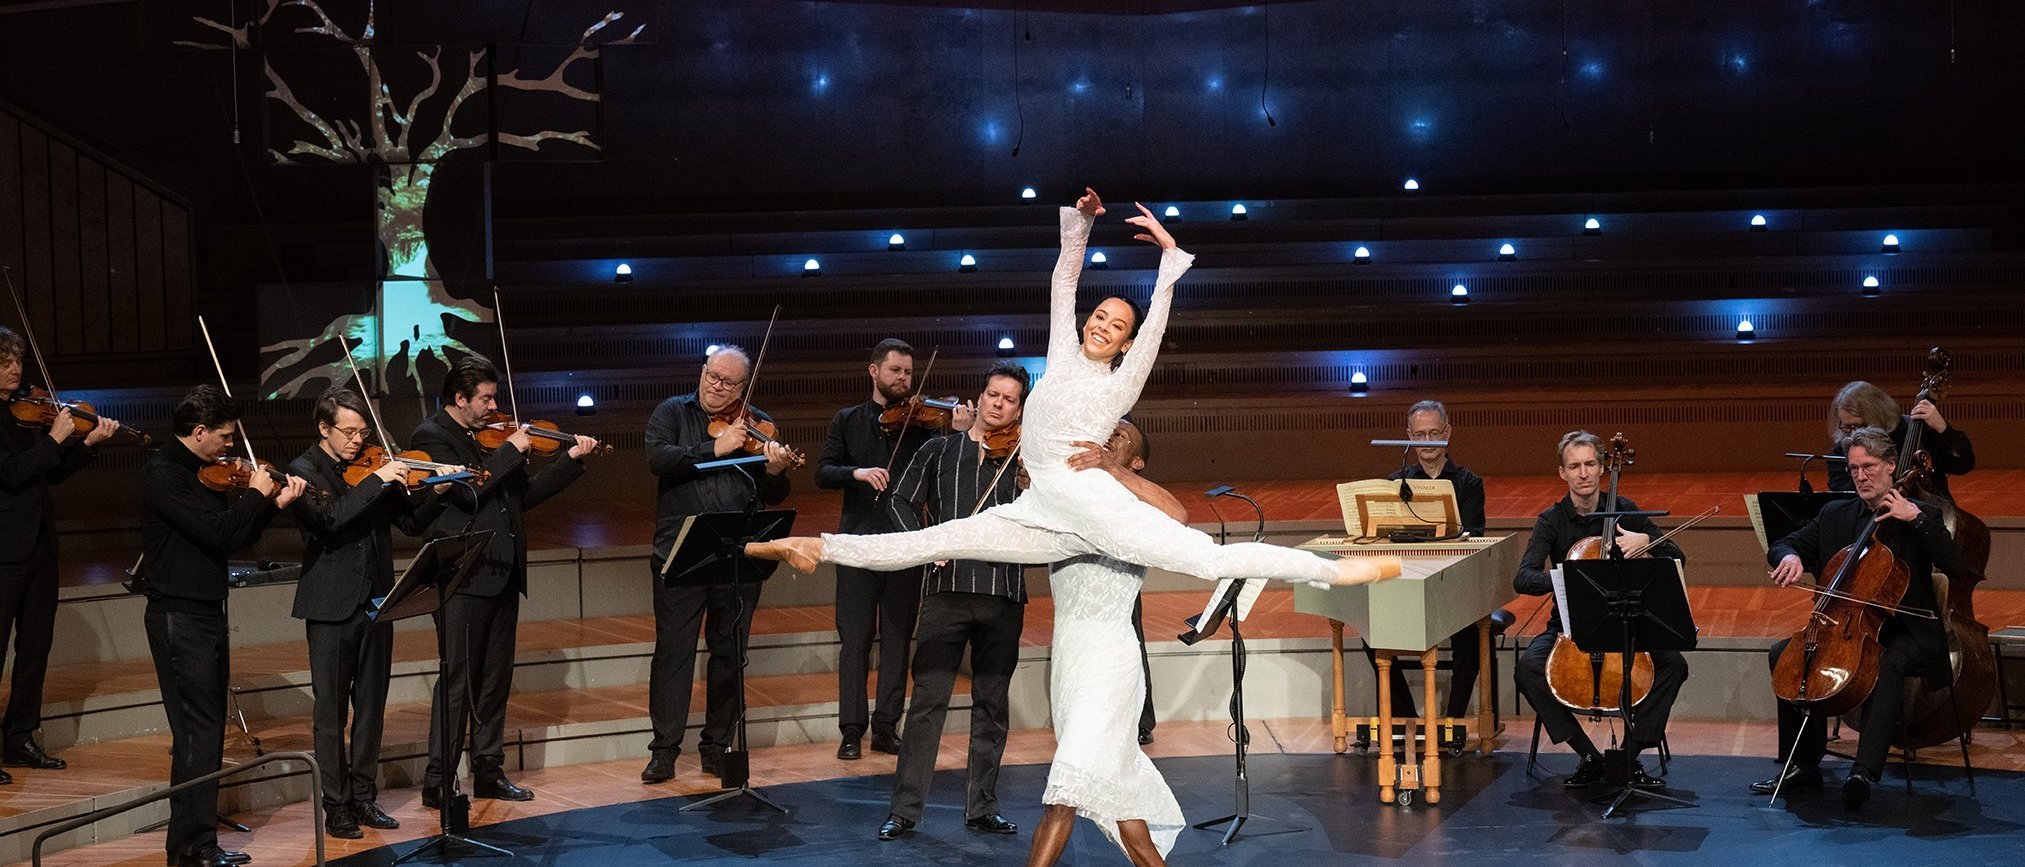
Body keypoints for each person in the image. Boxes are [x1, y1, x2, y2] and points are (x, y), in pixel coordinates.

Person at [746, 189, 1396, 594]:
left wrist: (1168, 262)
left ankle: (1335, 571)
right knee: (937, 539)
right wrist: (1080, 226)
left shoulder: (1120, 381)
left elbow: (1155, 323)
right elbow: (1063, 282)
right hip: (1044, 510)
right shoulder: (1060, 351)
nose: (1100, 323)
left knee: (1203, 558)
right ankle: (817, 546)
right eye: (1099, 315)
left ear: (1121, 342)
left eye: (1115, 323)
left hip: (1088, 503)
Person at [411, 357, 600, 806]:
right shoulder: (432, 437)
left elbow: (522, 497)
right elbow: (469, 491)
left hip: (502, 572)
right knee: (458, 680)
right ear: (460, 399)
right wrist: (511, 452)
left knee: (495, 680)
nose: (495, 407)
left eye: (495, 396)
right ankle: (439, 780)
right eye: (486, 398)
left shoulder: (491, 436)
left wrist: (570, 460)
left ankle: (488, 771)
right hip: (461, 576)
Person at [1754, 426, 1965, 809]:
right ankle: (1802, 765)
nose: (1861, 476)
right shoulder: (1835, 514)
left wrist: (1915, 518)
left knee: (1886, 662)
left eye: (1869, 466)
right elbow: (1784, 543)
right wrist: (1788, 556)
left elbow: (1957, 565)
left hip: (1908, 631)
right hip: (1846, 628)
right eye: (1853, 469)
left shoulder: (1921, 514)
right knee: (1783, 654)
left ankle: (1863, 772)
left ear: (1890, 466)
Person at [142, 385, 308, 867]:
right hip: (178, 616)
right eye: (224, 436)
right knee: (197, 732)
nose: (231, 446)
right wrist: (257, 494)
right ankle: (190, 848)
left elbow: (229, 539)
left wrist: (269, 506)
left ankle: (198, 843)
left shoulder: (201, 472)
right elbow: (217, 531)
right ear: (198, 433)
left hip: (205, 611)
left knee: (207, 731)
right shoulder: (164, 474)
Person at [877, 362, 1029, 842]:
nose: (997, 403)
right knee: (927, 703)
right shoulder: (939, 449)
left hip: (1003, 592)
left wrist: (1035, 484)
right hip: (946, 592)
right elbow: (899, 500)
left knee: (992, 705)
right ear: (980, 397)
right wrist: (926, 545)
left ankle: (982, 806)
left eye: (1008, 399)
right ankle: (904, 811)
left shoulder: (1026, 461)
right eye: (992, 394)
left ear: (1020, 409)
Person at [285, 387, 445, 839]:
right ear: (324, 428)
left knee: (372, 708)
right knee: (331, 712)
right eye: (349, 432)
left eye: (363, 431)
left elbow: (411, 524)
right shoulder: (301, 471)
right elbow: (331, 519)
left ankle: (364, 796)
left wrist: (438, 489)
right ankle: (336, 805)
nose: (358, 441)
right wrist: (380, 479)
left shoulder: (375, 465)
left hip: (378, 600)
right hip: (331, 605)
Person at [1028, 417, 1187, 866]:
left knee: (1064, 791)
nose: (1112, 435)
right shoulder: (1071, 501)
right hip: (1069, 664)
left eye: (1124, 437)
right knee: (1119, 802)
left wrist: (1114, 472)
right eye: (1109, 430)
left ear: (1136, 462)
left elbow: (1179, 516)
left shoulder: (1137, 512)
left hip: (1112, 663)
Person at [639, 346, 794, 783]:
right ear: (703, 372)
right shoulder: (671, 412)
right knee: (674, 654)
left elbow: (776, 495)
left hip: (737, 553)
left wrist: (778, 470)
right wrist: (714, 446)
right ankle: (664, 751)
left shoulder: (758, 425)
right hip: (680, 550)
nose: (716, 386)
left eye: (728, 382)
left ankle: (716, 744)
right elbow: (658, 459)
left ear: (742, 387)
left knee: (730, 653)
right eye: (712, 376)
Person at [1511, 430, 1687, 788]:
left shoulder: (1626, 511)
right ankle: (1589, 756)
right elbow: (1523, 577)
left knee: (1674, 667)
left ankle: (1628, 756)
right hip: (1572, 629)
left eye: (1590, 464)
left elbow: (1677, 556)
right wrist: (1570, 579)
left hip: (1628, 624)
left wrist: (1647, 542)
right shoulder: (1552, 520)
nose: (1583, 473)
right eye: (1574, 466)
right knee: (1527, 669)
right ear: (1563, 473)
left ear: (1603, 467)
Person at [818, 338, 950, 760]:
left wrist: (956, 427)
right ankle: (851, 731)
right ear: (874, 371)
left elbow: (944, 466)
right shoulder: (848, 420)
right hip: (857, 541)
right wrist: (856, 472)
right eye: (896, 371)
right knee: (855, 639)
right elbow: (822, 472)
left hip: (903, 541)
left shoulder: (922, 425)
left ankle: (886, 727)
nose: (904, 379)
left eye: (909, 373)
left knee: (897, 638)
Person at [0, 326, 121, 779]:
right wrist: (54, 438)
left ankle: (19, 738)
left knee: (35, 647)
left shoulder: (21, 412)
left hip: (39, 547)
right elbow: (11, 473)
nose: (16, 369)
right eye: (5, 362)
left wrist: (84, 444)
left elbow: (46, 474)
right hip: (3, 551)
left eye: (17, 360)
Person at [1364, 400, 1488, 735]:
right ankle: (1411, 723)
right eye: (1420, 434)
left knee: (1472, 635)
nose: (1428, 441)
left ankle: (1451, 726)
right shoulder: (1396, 483)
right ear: (1408, 436)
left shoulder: (1468, 483)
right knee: (1371, 632)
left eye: (1435, 433)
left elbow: (1474, 538)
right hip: (1409, 587)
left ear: (1448, 432)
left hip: (1454, 587)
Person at [1824, 381, 1973, 502]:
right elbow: (1843, 493)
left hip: (1925, 516)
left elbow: (1963, 464)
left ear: (1878, 417)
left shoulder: (1914, 431)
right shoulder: (1844, 446)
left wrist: (1943, 428)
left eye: (1859, 425)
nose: (1854, 433)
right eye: (1847, 426)